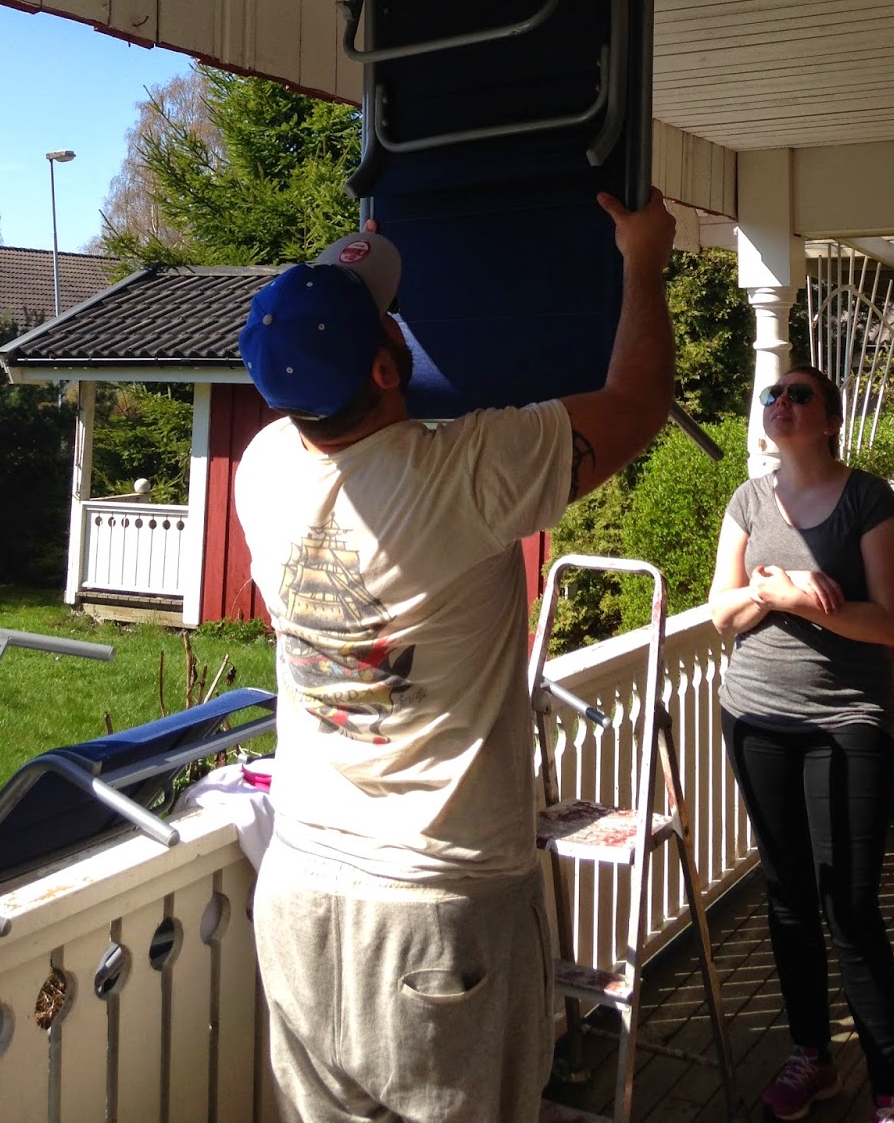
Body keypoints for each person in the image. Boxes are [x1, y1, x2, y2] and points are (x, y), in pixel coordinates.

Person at [233, 190, 676, 1123]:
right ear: (386, 367)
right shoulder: (464, 475)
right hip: (435, 908)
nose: (402, 324)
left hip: (300, 890)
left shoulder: (264, 467)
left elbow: (328, 362)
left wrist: (359, 268)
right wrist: (643, 258)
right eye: (389, 324)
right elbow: (636, 406)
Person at [707, 365, 894, 1123]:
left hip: (847, 721)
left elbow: (888, 624)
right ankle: (812, 1058)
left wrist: (803, 600)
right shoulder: (747, 500)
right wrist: (773, 590)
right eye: (773, 395)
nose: (781, 403)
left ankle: (890, 1088)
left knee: (850, 905)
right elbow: (721, 614)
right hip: (756, 716)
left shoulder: (869, 500)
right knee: (789, 896)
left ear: (829, 420)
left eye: (800, 395)